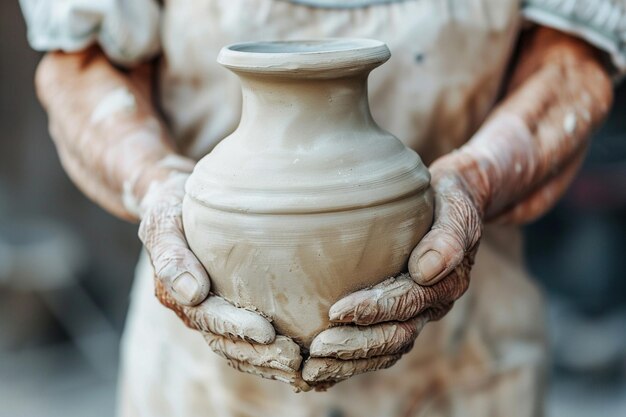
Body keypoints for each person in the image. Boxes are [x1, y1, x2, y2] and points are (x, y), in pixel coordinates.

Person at [20, 0, 623, 416]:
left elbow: (573, 58)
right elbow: (80, 62)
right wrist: (154, 182)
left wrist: (477, 177)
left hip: (466, 351)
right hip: (202, 367)